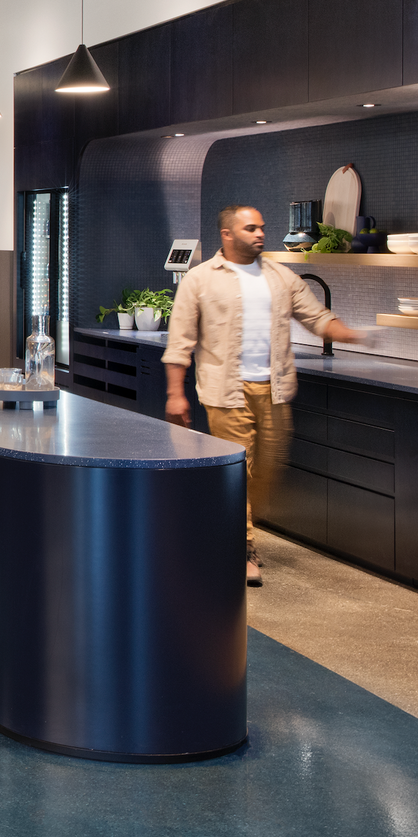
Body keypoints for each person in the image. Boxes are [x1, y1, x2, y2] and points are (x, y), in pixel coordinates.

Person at [164, 204, 367, 587]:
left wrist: (351, 333)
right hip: (225, 390)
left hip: (274, 389)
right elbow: (180, 343)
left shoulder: (281, 277)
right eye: (251, 228)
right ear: (228, 234)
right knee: (239, 469)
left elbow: (316, 317)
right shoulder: (200, 279)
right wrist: (176, 394)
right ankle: (242, 548)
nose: (260, 234)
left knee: (269, 467)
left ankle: (220, 523)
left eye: (262, 227)